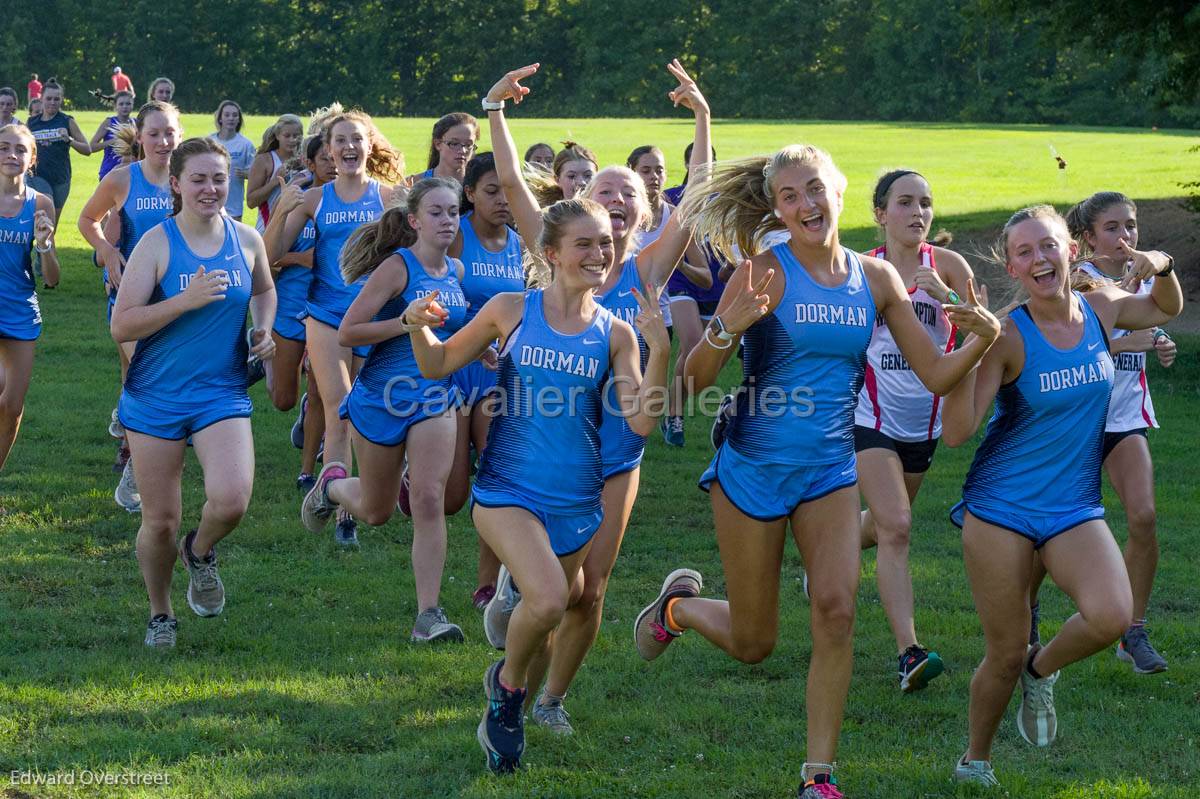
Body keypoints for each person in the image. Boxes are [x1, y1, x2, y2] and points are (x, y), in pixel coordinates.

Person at [635, 143, 1000, 799]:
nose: (805, 204)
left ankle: (818, 777)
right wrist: (727, 328)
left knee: (836, 613)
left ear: (838, 190)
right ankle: (679, 609)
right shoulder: (764, 273)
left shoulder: (878, 279)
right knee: (754, 642)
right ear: (777, 208)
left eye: (814, 189)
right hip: (752, 469)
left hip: (831, 472)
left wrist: (983, 336)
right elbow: (689, 383)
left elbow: (939, 375)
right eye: (789, 196)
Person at [482, 60, 711, 736]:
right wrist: (495, 112)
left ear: (640, 215)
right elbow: (520, 192)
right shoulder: (554, 255)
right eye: (604, 187)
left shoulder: (642, 269)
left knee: (591, 590)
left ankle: (550, 698)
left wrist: (701, 117)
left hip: (618, 452)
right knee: (553, 588)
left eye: (628, 194)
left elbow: (697, 195)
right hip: (545, 446)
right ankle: (518, 614)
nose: (615, 195)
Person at [407, 196, 667, 773]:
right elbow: (438, 364)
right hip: (506, 489)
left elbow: (642, 420)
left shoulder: (617, 333)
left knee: (550, 611)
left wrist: (662, 350)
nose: (600, 253)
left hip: (577, 501)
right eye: (585, 243)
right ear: (550, 253)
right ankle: (507, 690)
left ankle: (511, 671)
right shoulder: (510, 309)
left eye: (605, 242)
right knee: (548, 599)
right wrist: (416, 329)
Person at [940, 205, 1181, 787]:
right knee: (1001, 653)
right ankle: (975, 761)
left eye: (1047, 246)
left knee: (1111, 615)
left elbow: (1167, 307)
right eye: (1024, 252)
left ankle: (1041, 670)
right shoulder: (1006, 333)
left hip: (1072, 505)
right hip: (1000, 510)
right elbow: (956, 432)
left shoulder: (1101, 310)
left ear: (1070, 250)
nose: (1039, 259)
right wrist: (968, 348)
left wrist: (1162, 264)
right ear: (1012, 267)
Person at [111, 136, 277, 649]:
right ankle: (160, 613)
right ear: (177, 184)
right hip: (155, 397)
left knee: (231, 500)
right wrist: (183, 300)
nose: (210, 188)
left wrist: (263, 329)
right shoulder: (157, 243)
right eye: (199, 179)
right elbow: (123, 325)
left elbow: (265, 289)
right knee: (159, 521)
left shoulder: (247, 239)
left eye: (220, 179)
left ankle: (200, 552)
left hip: (220, 393)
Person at [301, 177, 469, 637]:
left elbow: (452, 329)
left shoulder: (453, 272)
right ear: (414, 220)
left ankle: (428, 615)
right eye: (436, 212)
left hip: (434, 397)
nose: (446, 220)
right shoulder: (397, 268)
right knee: (376, 511)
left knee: (428, 497)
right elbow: (349, 332)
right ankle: (331, 489)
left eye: (453, 212)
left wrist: (477, 348)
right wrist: (404, 322)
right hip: (380, 399)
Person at [853, 169, 975, 692]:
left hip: (924, 419)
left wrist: (947, 295)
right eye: (905, 202)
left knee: (882, 526)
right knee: (898, 526)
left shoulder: (948, 266)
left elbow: (982, 335)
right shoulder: (859, 271)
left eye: (926, 202)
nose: (918, 212)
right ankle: (909, 653)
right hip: (867, 415)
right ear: (880, 213)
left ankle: (829, 554)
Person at [264, 109, 403, 546]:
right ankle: (344, 514)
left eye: (356, 140)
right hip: (324, 317)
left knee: (363, 412)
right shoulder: (315, 199)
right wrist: (282, 210)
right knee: (339, 407)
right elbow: (267, 258)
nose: (347, 148)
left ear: (369, 147)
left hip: (373, 319)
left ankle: (338, 492)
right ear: (327, 150)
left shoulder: (389, 199)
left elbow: (413, 261)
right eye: (339, 141)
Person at [1050, 192, 1175, 673]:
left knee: (1143, 517)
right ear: (1086, 238)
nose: (1126, 237)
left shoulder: (1144, 279)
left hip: (1124, 419)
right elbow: (1064, 341)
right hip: (1076, 421)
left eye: (1131, 226)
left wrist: (1158, 343)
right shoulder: (1076, 279)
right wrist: (1126, 340)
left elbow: (1162, 312)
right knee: (1049, 529)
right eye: (1113, 228)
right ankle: (1028, 623)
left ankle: (1132, 630)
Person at [78, 101, 182, 510]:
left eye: (170, 132)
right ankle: (134, 474)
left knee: (137, 380)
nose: (163, 141)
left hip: (175, 299)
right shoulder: (124, 179)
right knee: (154, 377)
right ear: (140, 137)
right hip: (129, 299)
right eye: (154, 133)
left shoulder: (185, 179)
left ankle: (127, 419)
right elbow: (88, 219)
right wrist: (106, 250)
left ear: (180, 134)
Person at [442, 151, 525, 610]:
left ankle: (488, 584)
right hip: (454, 369)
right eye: (491, 191)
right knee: (453, 497)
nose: (502, 201)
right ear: (470, 194)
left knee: (495, 476)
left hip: (497, 377)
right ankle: (416, 478)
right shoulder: (456, 238)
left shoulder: (518, 244)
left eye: (508, 192)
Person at [262, 133, 337, 490]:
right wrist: (295, 257)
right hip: (290, 306)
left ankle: (307, 471)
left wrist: (299, 259)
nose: (334, 164)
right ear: (310, 164)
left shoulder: (353, 202)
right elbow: (268, 256)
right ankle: (262, 357)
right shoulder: (300, 201)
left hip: (327, 310)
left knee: (323, 393)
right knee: (283, 400)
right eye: (325, 158)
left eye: (337, 155)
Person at [0, 124, 60, 471]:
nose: (11, 155)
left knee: (11, 407)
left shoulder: (41, 205)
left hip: (20, 311)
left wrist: (44, 244)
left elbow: (52, 279)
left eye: (20, 149)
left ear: (32, 158)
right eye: (4, 148)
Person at [661, 141, 726, 446]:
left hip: (714, 283)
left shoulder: (724, 199)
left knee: (704, 359)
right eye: (698, 163)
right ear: (687, 164)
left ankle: (674, 409)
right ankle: (674, 417)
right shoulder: (672, 198)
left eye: (709, 164)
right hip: (681, 279)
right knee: (690, 345)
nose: (703, 169)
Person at [26, 79, 91, 231]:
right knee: (46, 211)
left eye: (57, 99)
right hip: (37, 175)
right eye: (49, 98)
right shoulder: (31, 123)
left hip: (61, 178)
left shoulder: (67, 121)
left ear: (62, 99)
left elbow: (87, 149)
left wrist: (69, 140)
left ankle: (42, 253)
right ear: (41, 98)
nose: (52, 102)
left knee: (52, 225)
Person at [247, 114, 303, 233]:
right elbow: (251, 202)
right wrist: (275, 181)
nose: (292, 140)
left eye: (296, 135)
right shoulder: (264, 160)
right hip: (268, 228)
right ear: (277, 135)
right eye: (287, 136)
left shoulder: (306, 161)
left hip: (298, 231)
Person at [209, 100, 257, 222]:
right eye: (227, 115)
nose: (231, 118)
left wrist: (247, 174)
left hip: (234, 206)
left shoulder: (246, 145)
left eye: (235, 115)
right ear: (220, 118)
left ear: (239, 119)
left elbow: (256, 173)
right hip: (210, 201)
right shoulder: (209, 141)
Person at [414, 112, 478, 183]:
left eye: (468, 144)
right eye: (454, 144)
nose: (463, 150)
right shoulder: (413, 183)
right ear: (438, 144)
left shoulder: (481, 185)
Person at [88, 90, 135, 179]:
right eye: (121, 104)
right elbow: (91, 147)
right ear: (115, 106)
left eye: (128, 104)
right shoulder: (109, 123)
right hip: (109, 171)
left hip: (131, 172)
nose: (125, 107)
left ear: (133, 105)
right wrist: (112, 141)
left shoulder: (136, 123)